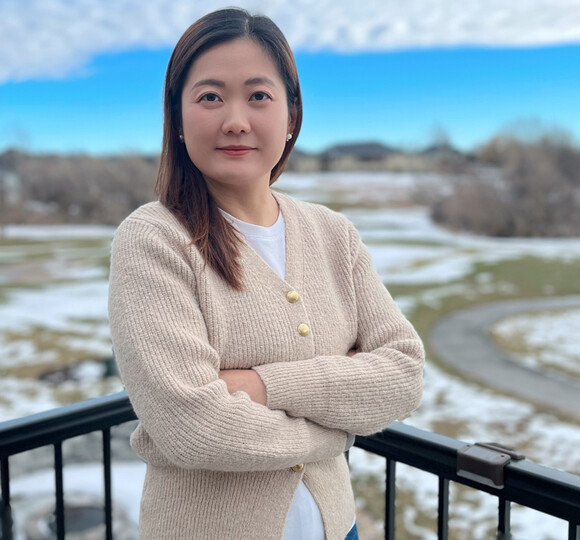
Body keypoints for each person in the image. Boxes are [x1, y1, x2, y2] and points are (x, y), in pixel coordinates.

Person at [107, 8, 424, 540]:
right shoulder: (154, 238)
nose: (236, 119)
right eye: (210, 96)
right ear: (177, 119)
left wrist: (259, 385)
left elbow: (403, 373)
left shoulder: (333, 233)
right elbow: (193, 428)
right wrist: (336, 428)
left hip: (336, 527)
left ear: (292, 115)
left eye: (259, 95)